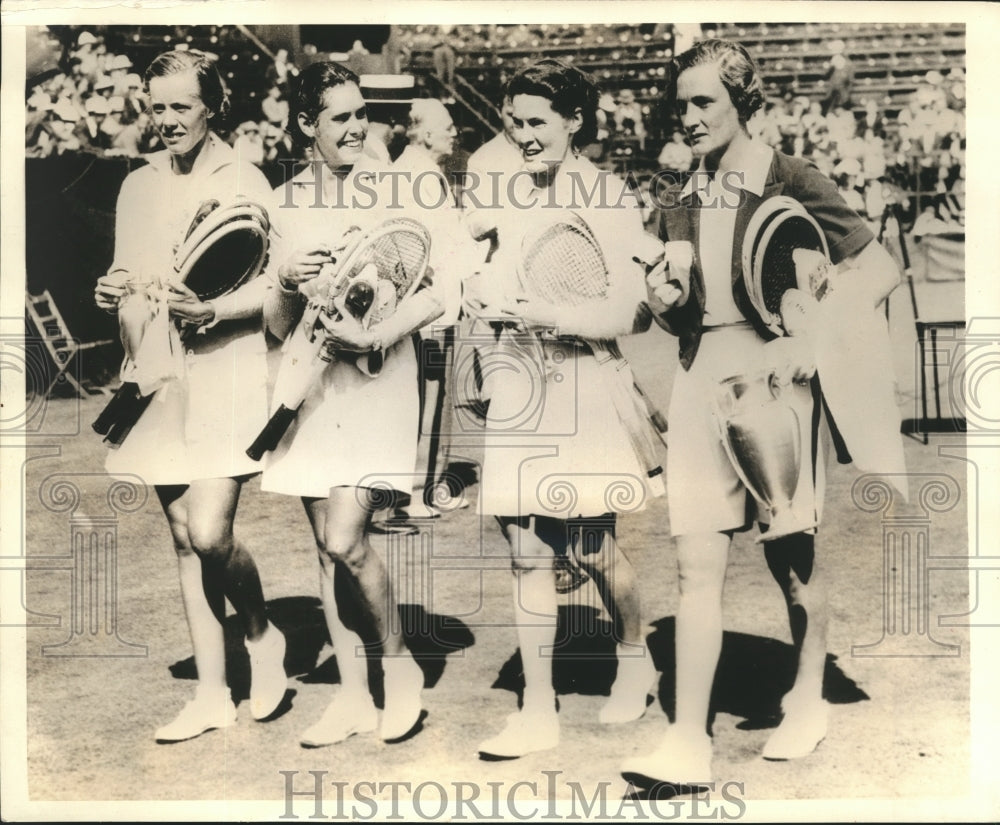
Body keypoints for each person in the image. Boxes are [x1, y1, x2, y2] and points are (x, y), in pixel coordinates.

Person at [622, 39, 901, 786]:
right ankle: (688, 740)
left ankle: (807, 694)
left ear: (745, 102)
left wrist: (816, 331)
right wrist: (662, 295)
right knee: (694, 562)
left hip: (774, 377)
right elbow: (662, 304)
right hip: (695, 375)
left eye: (704, 101)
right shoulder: (676, 187)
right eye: (680, 103)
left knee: (791, 556)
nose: (687, 117)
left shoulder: (790, 175)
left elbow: (879, 266)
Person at [93, 49, 289, 743]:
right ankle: (211, 693)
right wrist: (112, 290)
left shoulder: (244, 177)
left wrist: (213, 314)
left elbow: (275, 288)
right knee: (183, 540)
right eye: (158, 104)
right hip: (156, 374)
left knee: (210, 532)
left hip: (226, 368)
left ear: (212, 106)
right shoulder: (138, 184)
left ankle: (263, 637)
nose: (167, 117)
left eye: (181, 104)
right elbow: (127, 271)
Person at [467, 59, 661, 759]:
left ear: (574, 121)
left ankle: (636, 656)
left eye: (537, 123)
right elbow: (489, 279)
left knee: (591, 549)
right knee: (526, 553)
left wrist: (545, 312)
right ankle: (538, 708)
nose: (522, 136)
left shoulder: (607, 196)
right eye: (513, 122)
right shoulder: (504, 194)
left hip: (582, 384)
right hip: (517, 384)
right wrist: (481, 304)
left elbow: (630, 311)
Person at [259, 61, 444, 747]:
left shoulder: (398, 189)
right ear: (306, 125)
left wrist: (373, 332)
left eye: (358, 112)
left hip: (380, 383)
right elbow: (278, 327)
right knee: (323, 549)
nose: (355, 125)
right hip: (312, 386)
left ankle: (400, 669)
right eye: (338, 116)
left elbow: (438, 290)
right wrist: (283, 278)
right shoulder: (284, 204)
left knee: (345, 536)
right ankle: (353, 694)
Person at [390, 98, 472, 521]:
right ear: (423, 133)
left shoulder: (411, 170)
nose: (454, 133)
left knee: (423, 397)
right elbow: (435, 245)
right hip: (431, 308)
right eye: (447, 127)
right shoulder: (420, 175)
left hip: (424, 306)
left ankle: (420, 486)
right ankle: (421, 491)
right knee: (430, 400)